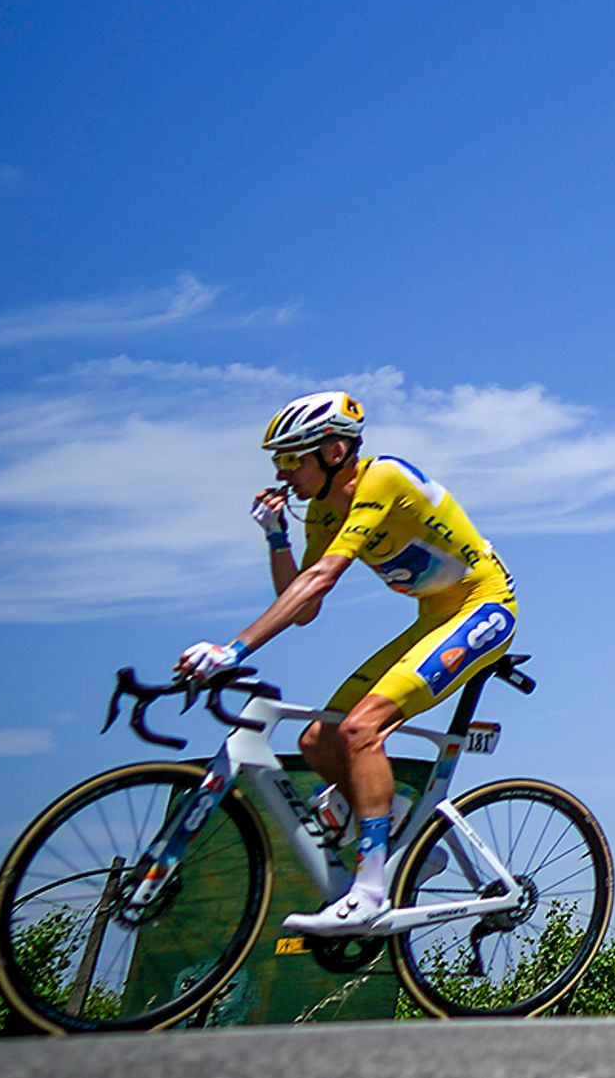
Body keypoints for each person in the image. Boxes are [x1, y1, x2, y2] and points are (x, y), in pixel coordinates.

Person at [180, 393, 519, 937]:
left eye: (293, 458)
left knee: (362, 729)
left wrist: (234, 650)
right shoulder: (321, 510)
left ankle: (369, 893)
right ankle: (405, 828)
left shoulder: (381, 480)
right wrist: (276, 538)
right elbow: (305, 606)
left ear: (335, 450)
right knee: (319, 741)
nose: (281, 472)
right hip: (434, 616)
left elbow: (319, 581)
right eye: (278, 461)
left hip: (484, 608)